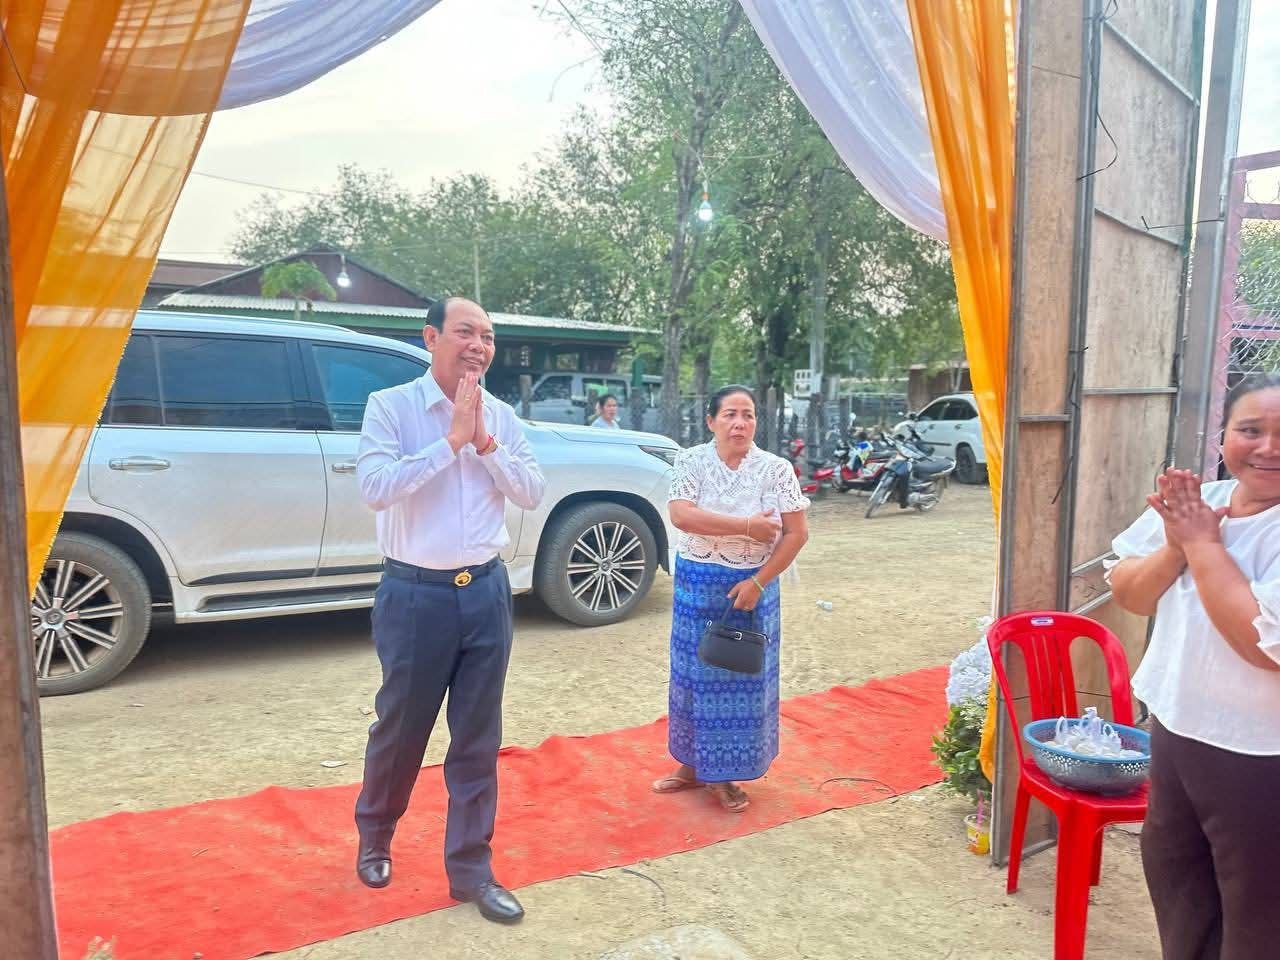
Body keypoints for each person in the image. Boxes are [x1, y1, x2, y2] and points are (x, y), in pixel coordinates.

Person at [353, 296, 546, 924]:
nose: (479, 346)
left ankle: (471, 870)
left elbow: (531, 491)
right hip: (415, 595)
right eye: (466, 332)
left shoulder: (502, 417)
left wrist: (484, 442)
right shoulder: (392, 407)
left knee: (478, 738)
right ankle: (376, 835)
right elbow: (375, 489)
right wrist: (450, 442)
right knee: (402, 727)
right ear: (431, 337)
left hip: (485, 592)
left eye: (487, 337)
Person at [1109, 373, 1280, 960]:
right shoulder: (1199, 504)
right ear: (1222, 437)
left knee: (1259, 913)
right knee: (1178, 881)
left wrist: (1204, 546)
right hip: (1178, 732)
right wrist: (1177, 544)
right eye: (1250, 430)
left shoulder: (1209, 523)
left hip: (1260, 757)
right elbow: (1130, 593)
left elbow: (1263, 646)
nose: (1268, 448)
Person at [654, 385, 810, 812]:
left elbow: (797, 533)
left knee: (740, 680)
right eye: (730, 415)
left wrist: (758, 583)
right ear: (711, 421)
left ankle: (724, 775)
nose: (740, 423)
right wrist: (746, 527)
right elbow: (682, 515)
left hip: (753, 589)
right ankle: (692, 764)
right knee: (691, 675)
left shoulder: (776, 470)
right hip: (697, 584)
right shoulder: (691, 461)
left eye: (748, 415)